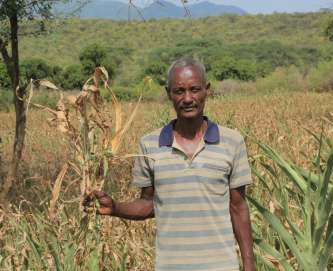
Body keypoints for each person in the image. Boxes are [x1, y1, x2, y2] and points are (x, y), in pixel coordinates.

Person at [87, 57, 256, 271]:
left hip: (221, 265)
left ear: (207, 90)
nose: (187, 98)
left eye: (195, 89)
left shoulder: (232, 141)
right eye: (179, 91)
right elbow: (149, 204)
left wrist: (249, 264)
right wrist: (116, 208)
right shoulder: (150, 144)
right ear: (169, 93)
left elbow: (238, 207)